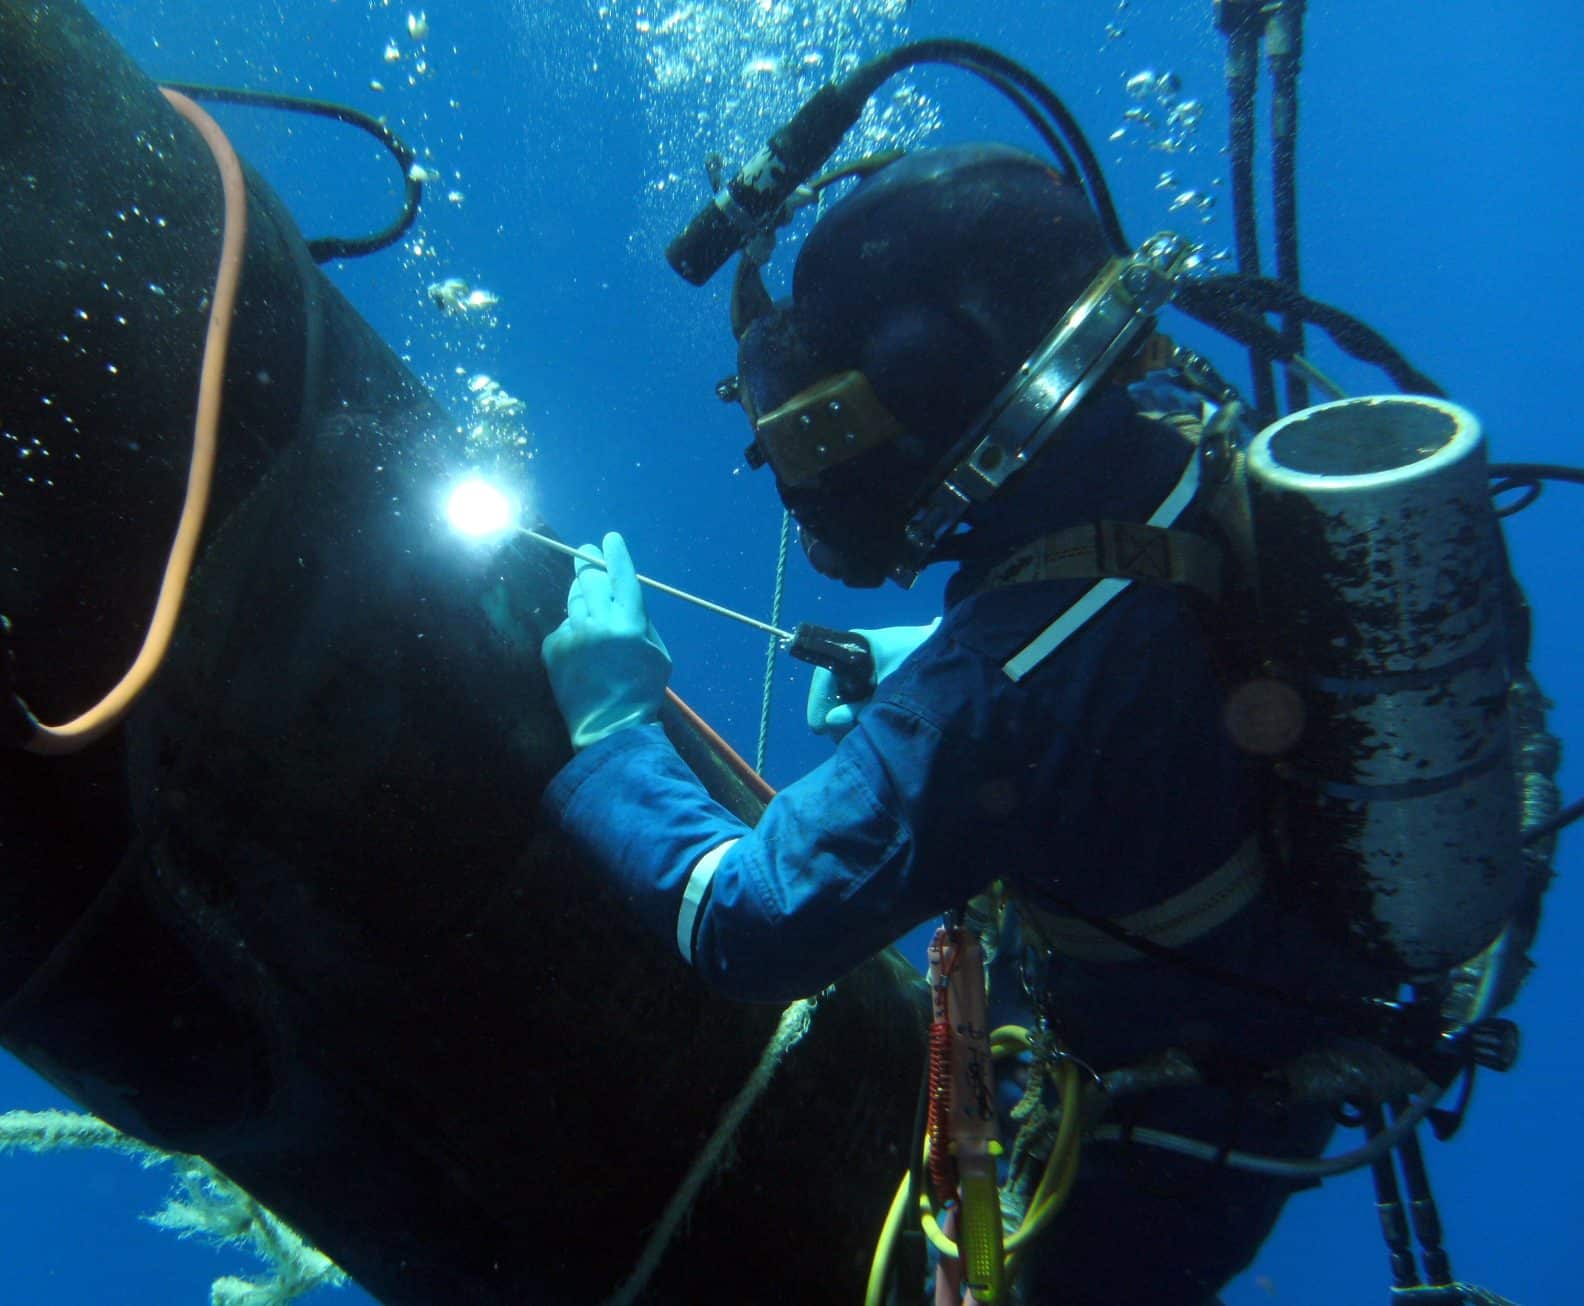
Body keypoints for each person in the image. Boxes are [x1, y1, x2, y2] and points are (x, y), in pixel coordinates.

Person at [533, 145, 1436, 1302]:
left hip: (1151, 1144)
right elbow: (1155, 613)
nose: (809, 476)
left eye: (819, 432)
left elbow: (751, 922)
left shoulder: (991, 691)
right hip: (1274, 1012)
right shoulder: (1174, 420)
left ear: (936, 385)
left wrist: (611, 726)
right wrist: (926, 665)